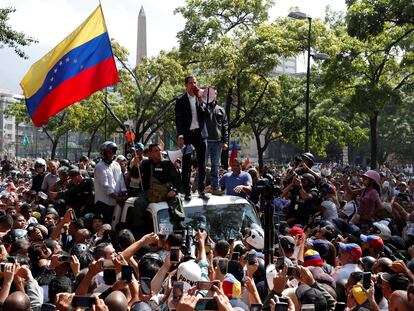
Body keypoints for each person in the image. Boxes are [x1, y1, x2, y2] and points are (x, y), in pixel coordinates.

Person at [133, 144, 184, 234]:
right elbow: (135, 175)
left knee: (177, 199)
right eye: (156, 151)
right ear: (150, 153)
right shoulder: (145, 164)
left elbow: (178, 180)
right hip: (148, 192)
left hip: (165, 192)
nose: (159, 152)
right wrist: (135, 166)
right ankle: (139, 230)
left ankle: (178, 225)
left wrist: (174, 191)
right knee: (139, 202)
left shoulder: (167, 164)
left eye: (159, 150)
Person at [175, 75, 208, 200]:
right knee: (187, 163)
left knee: (202, 163)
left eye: (195, 82)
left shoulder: (201, 98)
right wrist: (181, 135)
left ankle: (201, 189)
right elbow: (179, 119)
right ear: (185, 85)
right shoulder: (180, 100)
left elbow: (206, 115)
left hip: (200, 134)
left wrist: (201, 102)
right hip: (187, 135)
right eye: (190, 83)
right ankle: (186, 191)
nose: (193, 85)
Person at [94, 141, 127, 224]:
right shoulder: (99, 167)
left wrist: (124, 192)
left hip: (115, 202)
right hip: (103, 203)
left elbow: (121, 180)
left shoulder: (116, 164)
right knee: (104, 226)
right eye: (109, 152)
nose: (111, 154)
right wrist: (118, 198)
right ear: (103, 153)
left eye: (113, 152)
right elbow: (106, 187)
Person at [203, 87, 229, 195]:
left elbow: (225, 126)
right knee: (202, 165)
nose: (213, 95)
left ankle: (215, 188)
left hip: (218, 141)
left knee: (215, 166)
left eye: (215, 93)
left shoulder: (221, 109)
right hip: (205, 141)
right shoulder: (203, 107)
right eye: (211, 93)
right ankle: (201, 187)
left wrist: (225, 141)